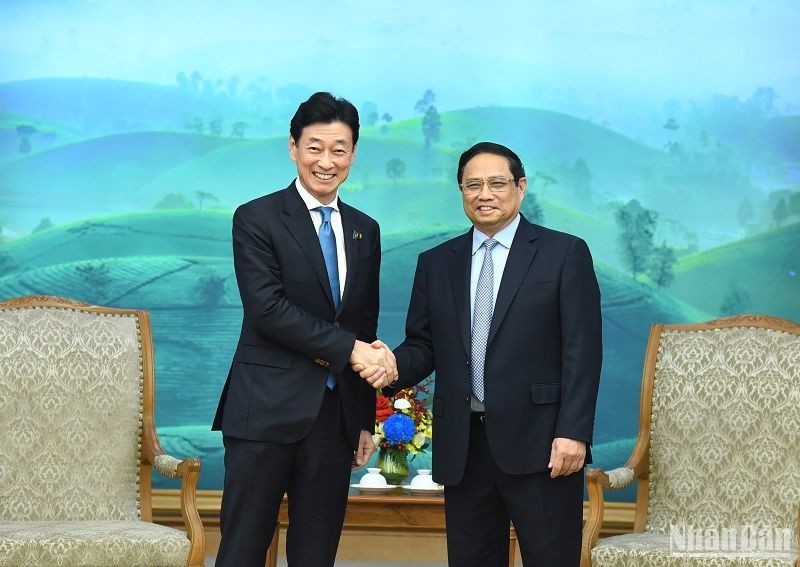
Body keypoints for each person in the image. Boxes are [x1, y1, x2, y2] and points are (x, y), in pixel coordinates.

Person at [358, 142, 602, 566]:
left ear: (520, 187)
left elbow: (583, 350)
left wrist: (574, 432)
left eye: (496, 183)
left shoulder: (564, 253)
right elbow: (424, 345)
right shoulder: (437, 263)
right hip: (464, 449)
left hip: (543, 446)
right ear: (461, 192)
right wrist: (391, 366)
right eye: (473, 185)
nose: (484, 194)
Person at [212, 92, 393, 567]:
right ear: (293, 148)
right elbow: (267, 310)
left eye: (339, 149)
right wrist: (352, 351)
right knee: (243, 549)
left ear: (353, 154)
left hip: (333, 421)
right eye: (315, 147)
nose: (326, 161)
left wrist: (362, 419)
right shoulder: (256, 217)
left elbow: (363, 323)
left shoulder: (365, 229)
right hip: (264, 413)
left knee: (317, 554)